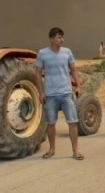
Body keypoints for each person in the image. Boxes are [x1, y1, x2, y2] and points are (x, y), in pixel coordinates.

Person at [35, 27, 84, 161]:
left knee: (72, 122)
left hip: (66, 93)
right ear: (51, 39)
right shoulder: (42, 53)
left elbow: (73, 69)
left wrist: (78, 86)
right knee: (51, 123)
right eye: (58, 37)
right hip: (50, 94)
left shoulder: (67, 52)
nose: (61, 39)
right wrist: (41, 92)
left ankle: (76, 151)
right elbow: (38, 73)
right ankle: (52, 149)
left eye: (62, 37)